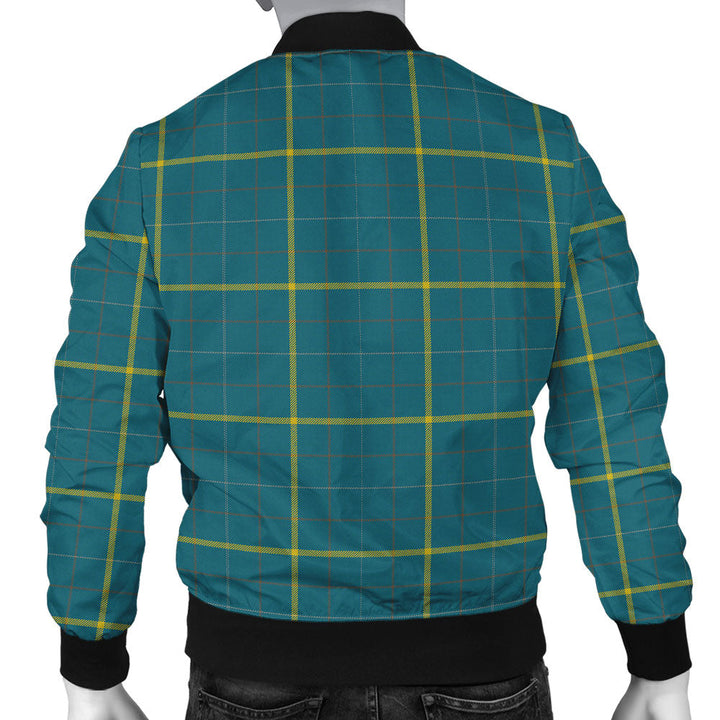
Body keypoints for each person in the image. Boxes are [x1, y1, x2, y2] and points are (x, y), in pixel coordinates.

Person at [42, 1, 694, 719]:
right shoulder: (542, 153)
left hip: (254, 663)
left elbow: (100, 426)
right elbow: (615, 417)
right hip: (483, 662)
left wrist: (91, 663)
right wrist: (658, 656)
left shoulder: (162, 164)